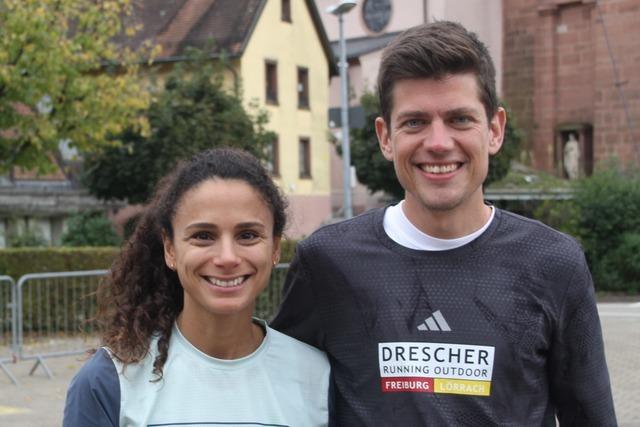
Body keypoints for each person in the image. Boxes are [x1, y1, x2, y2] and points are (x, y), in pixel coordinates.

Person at [271, 21, 616, 426]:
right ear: (385, 137)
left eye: (459, 120)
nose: (438, 142)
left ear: (494, 130)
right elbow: (279, 399)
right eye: (414, 122)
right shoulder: (328, 262)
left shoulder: (554, 263)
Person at [63, 148, 330, 426]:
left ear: (275, 248)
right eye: (203, 236)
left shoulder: (318, 377)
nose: (227, 257)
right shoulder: (111, 381)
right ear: (170, 249)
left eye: (248, 235)